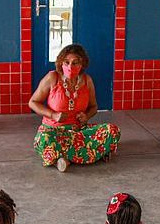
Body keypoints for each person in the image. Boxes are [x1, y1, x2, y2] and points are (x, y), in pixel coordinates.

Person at [29, 44, 121, 172]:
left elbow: (94, 107)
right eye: (66, 62)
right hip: (54, 131)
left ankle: (65, 158)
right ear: (61, 63)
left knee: (111, 130)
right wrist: (53, 115)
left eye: (75, 63)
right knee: (44, 139)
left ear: (82, 64)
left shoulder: (87, 80)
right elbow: (33, 102)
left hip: (78, 131)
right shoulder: (52, 78)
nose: (70, 67)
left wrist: (86, 116)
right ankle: (91, 154)